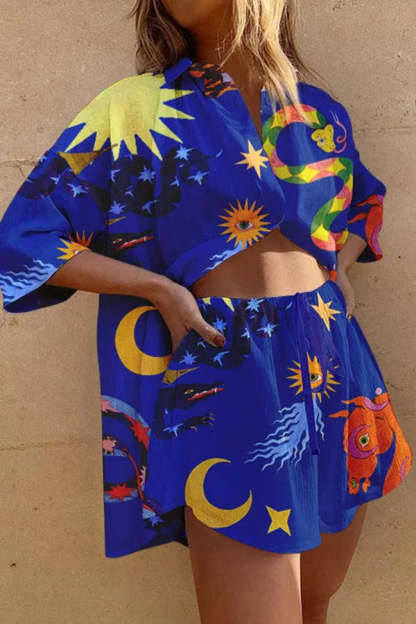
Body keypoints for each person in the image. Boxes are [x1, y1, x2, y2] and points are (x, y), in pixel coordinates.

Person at [0, 1, 412, 622]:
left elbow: (362, 202)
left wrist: (340, 270)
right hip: (229, 368)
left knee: (316, 600)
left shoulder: (318, 111)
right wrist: (159, 289)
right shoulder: (135, 109)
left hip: (335, 366)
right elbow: (26, 239)